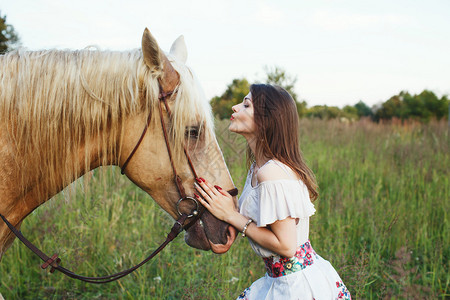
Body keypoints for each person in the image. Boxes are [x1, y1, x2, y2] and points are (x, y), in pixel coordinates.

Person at [194, 84, 351, 299]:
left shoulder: (272, 173)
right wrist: (223, 211)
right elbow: (258, 218)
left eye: (246, 105)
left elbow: (286, 247)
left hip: (296, 287)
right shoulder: (259, 167)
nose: (235, 106)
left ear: (266, 121)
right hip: (278, 280)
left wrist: (231, 216)